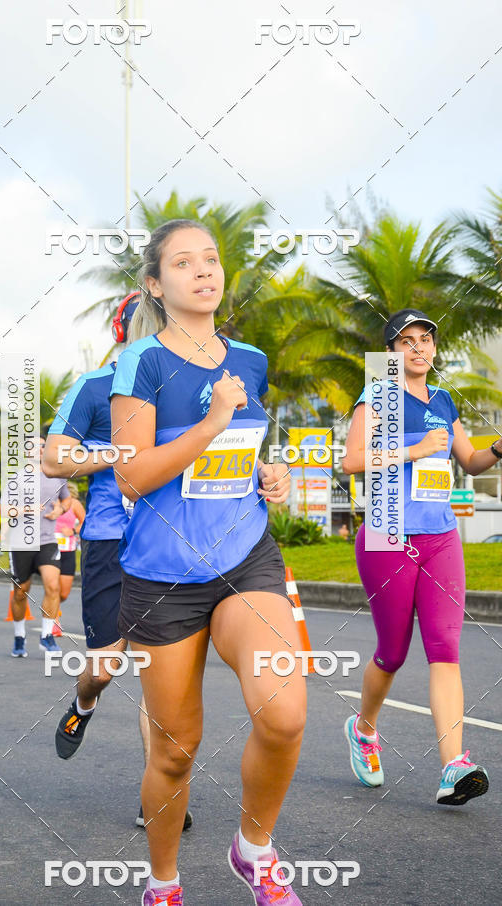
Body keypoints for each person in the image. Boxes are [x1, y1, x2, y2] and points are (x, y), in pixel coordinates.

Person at [109, 220, 304, 905]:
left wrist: (267, 474)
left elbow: (237, 456)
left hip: (244, 558)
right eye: (183, 263)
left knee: (283, 713)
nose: (203, 271)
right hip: (162, 579)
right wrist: (212, 422)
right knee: (174, 751)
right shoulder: (142, 364)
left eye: (212, 259)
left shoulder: (249, 359)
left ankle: (253, 847)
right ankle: (163, 883)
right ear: (156, 286)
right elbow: (132, 477)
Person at [44, 292, 193, 832]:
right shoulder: (92, 388)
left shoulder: (184, 386)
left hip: (166, 541)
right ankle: (82, 706)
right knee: (104, 669)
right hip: (109, 540)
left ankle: (161, 792)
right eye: (148, 322)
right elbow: (54, 458)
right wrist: (118, 453)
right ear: (123, 331)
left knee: (161, 674)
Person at [342, 307, 500, 806]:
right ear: (390, 352)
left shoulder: (444, 400)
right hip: (388, 535)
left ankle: (454, 766)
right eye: (405, 341)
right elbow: (350, 460)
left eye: (425, 340)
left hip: (441, 536)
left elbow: (470, 460)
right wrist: (412, 451)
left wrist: (498, 447)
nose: (417, 348)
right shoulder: (379, 395)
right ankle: (364, 729)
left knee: (445, 647)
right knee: (393, 651)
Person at [6, 437, 71, 657]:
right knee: (20, 592)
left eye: (43, 445)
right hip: (21, 542)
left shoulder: (56, 475)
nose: (39, 449)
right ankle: (19, 636)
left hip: (47, 540)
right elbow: (5, 511)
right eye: (34, 445)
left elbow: (67, 500)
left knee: (52, 586)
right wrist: (27, 509)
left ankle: (46, 636)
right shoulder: (16, 478)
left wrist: (60, 511)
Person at [54, 482, 85, 606]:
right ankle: (52, 617)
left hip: (68, 550)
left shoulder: (74, 503)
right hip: (50, 550)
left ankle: (52, 609)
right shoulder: (49, 502)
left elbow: (85, 522)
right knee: (52, 589)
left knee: (63, 594)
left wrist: (72, 531)